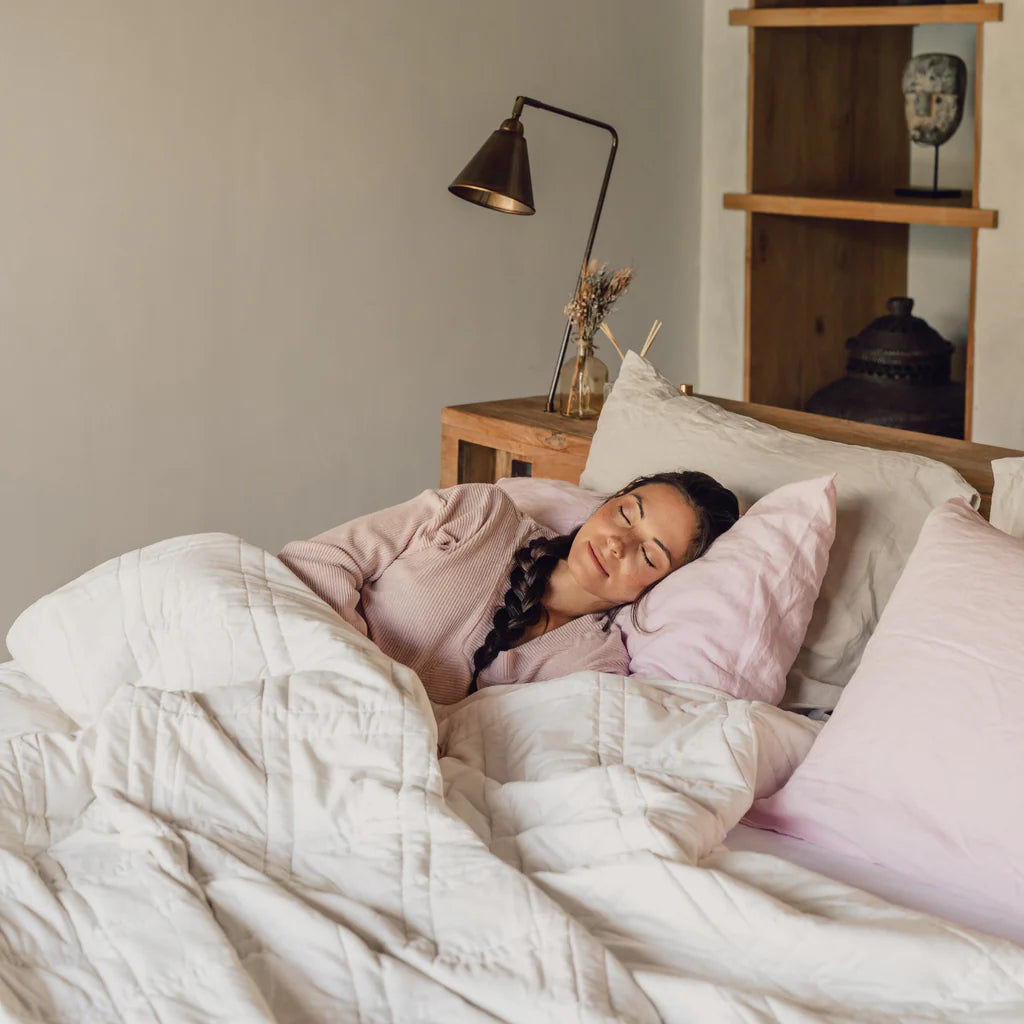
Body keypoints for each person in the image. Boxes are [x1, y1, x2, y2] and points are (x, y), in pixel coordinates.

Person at [279, 472, 739, 705]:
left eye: (650, 554)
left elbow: (494, 756)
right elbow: (318, 563)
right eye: (625, 513)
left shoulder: (591, 667)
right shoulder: (481, 514)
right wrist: (351, 672)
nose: (619, 544)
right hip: (291, 662)